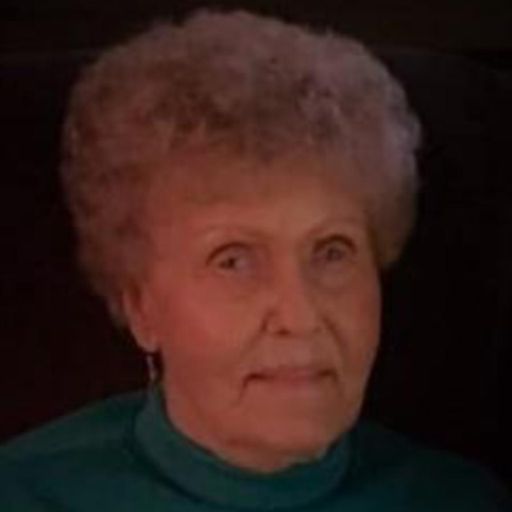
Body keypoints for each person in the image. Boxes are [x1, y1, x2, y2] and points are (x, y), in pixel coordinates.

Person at [1, 9, 510, 511]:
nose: (300, 316)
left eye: (332, 251)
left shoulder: (459, 500)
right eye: (234, 260)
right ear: (141, 308)